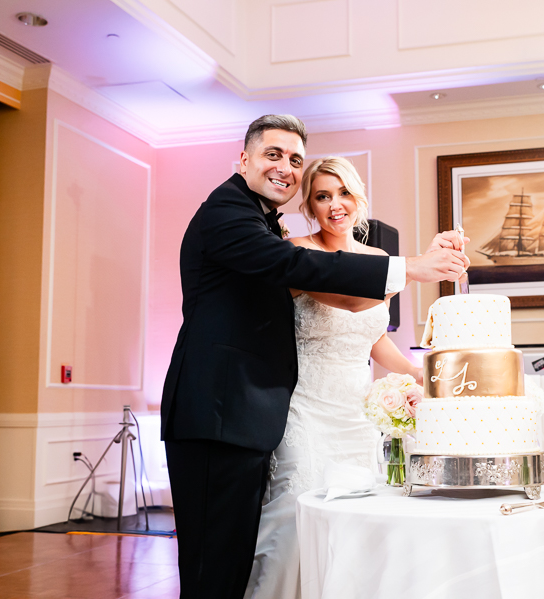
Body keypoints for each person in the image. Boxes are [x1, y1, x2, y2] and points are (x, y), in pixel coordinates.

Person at [160, 115, 469, 599]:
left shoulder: (259, 217)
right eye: (273, 154)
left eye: (294, 159)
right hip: (219, 413)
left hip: (253, 415)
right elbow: (301, 270)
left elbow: (362, 321)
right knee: (214, 563)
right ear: (243, 159)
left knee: (233, 557)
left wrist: (418, 369)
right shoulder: (228, 214)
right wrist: (412, 268)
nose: (285, 167)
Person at [245, 157, 423, 599]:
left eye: (342, 193)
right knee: (295, 515)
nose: (334, 205)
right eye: (322, 196)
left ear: (358, 196)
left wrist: (420, 372)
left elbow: (373, 338)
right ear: (309, 204)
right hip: (305, 406)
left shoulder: (379, 259)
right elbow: (350, 302)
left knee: (359, 519)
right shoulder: (295, 251)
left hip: (357, 413)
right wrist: (410, 271)